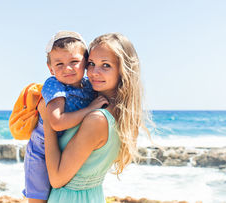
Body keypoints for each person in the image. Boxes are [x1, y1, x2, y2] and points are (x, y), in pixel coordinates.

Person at [39, 32, 147, 203]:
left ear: (123, 70)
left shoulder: (97, 119)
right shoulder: (119, 113)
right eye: (91, 63)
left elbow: (57, 179)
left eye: (106, 65)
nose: (94, 72)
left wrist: (46, 119)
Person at [23, 31, 108, 203]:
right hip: (41, 153)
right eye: (59, 64)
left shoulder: (88, 87)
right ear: (50, 68)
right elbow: (56, 122)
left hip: (62, 151)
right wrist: (90, 109)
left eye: (74, 62)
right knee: (38, 200)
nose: (67, 69)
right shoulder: (54, 85)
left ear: (86, 62)